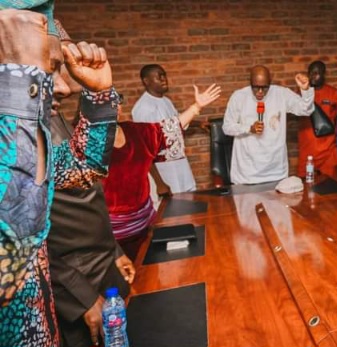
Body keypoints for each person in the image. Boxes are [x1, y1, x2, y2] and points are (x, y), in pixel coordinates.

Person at [0, 8, 119, 347]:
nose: (65, 87)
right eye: (48, 68)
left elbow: (83, 169)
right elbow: (7, 267)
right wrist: (22, 90)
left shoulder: (25, 137)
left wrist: (98, 95)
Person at [47, 22, 135, 347]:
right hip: (69, 284)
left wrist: (113, 250)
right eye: (49, 67)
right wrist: (80, 296)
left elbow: (85, 180)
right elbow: (25, 246)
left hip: (98, 271)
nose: (63, 85)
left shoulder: (47, 118)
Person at [103, 84, 221, 259]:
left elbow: (168, 129)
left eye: (117, 100)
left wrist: (196, 107)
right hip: (111, 234)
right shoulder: (86, 141)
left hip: (145, 222)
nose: (116, 106)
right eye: (107, 101)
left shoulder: (134, 131)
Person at [222, 65, 314, 184]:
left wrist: (306, 91)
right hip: (247, 174)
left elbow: (306, 110)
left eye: (265, 87)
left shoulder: (281, 94)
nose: (260, 92)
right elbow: (227, 127)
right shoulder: (239, 97)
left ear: (270, 82)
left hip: (276, 172)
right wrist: (249, 128)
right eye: (256, 87)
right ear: (250, 82)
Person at [132, 64, 200, 194]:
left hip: (180, 168)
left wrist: (199, 123)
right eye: (159, 77)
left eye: (164, 75)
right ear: (146, 81)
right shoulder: (143, 108)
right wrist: (159, 183)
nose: (164, 79)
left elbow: (176, 124)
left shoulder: (166, 101)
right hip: (165, 175)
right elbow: (145, 149)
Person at [297, 60, 337, 178]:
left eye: (316, 73)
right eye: (311, 73)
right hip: (307, 151)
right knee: (305, 185)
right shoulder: (301, 94)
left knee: (331, 187)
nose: (313, 76)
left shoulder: (334, 94)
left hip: (329, 151)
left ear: (324, 74)